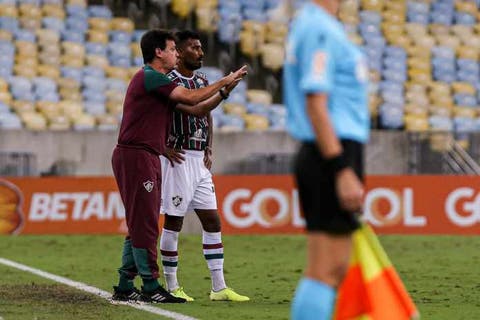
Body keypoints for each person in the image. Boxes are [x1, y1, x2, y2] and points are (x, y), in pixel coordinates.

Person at [111, 29, 247, 303]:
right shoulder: (151, 77)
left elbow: (198, 111)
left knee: (140, 221)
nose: (175, 53)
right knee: (148, 223)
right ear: (159, 52)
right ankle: (151, 286)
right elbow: (193, 98)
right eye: (173, 49)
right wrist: (224, 79)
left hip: (146, 155)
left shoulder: (156, 81)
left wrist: (223, 91)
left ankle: (125, 284)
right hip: (138, 155)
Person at [283, 0, 370, 319]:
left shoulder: (313, 23)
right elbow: (316, 103)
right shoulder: (319, 27)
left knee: (333, 266)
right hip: (331, 149)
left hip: (329, 147)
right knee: (325, 268)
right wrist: (341, 168)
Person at [159, 30, 250, 302]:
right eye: (195, 48)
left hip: (199, 160)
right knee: (173, 222)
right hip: (178, 159)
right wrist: (163, 147)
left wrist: (209, 146)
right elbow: (192, 110)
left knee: (212, 220)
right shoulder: (169, 82)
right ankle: (172, 286)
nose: (201, 52)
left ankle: (219, 287)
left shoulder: (201, 80)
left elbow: (206, 115)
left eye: (201, 47)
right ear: (181, 52)